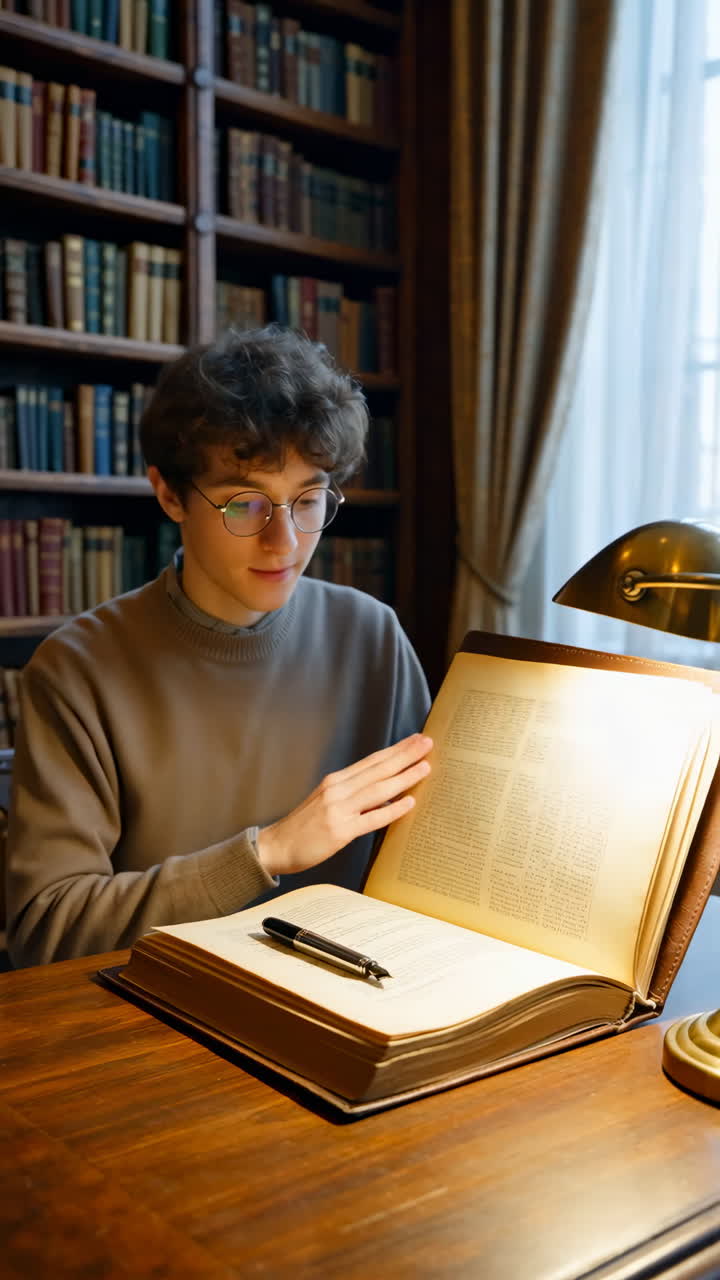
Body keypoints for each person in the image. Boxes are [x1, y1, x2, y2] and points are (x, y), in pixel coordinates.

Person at [5, 326, 432, 966]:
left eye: (308, 499)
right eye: (244, 505)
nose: (285, 543)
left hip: (351, 991)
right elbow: (47, 931)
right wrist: (267, 853)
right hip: (154, 1009)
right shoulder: (76, 670)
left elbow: (426, 865)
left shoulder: (373, 638)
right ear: (169, 494)